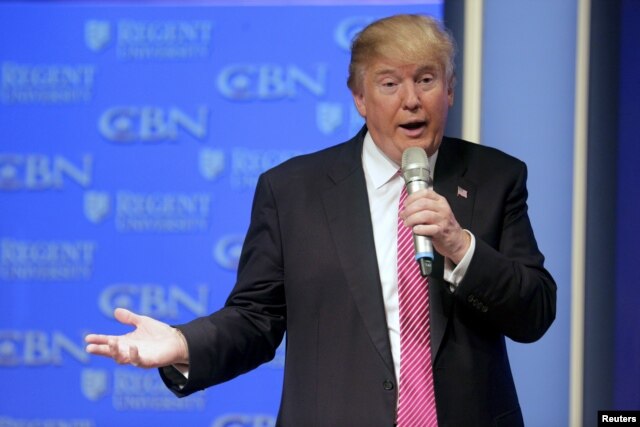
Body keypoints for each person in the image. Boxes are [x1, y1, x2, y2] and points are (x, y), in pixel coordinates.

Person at [85, 14, 557, 426]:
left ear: (450, 89)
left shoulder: (497, 178)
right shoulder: (292, 191)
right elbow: (256, 319)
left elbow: (534, 310)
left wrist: (461, 248)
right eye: (389, 83)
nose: (411, 100)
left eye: (427, 80)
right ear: (359, 97)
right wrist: (183, 344)